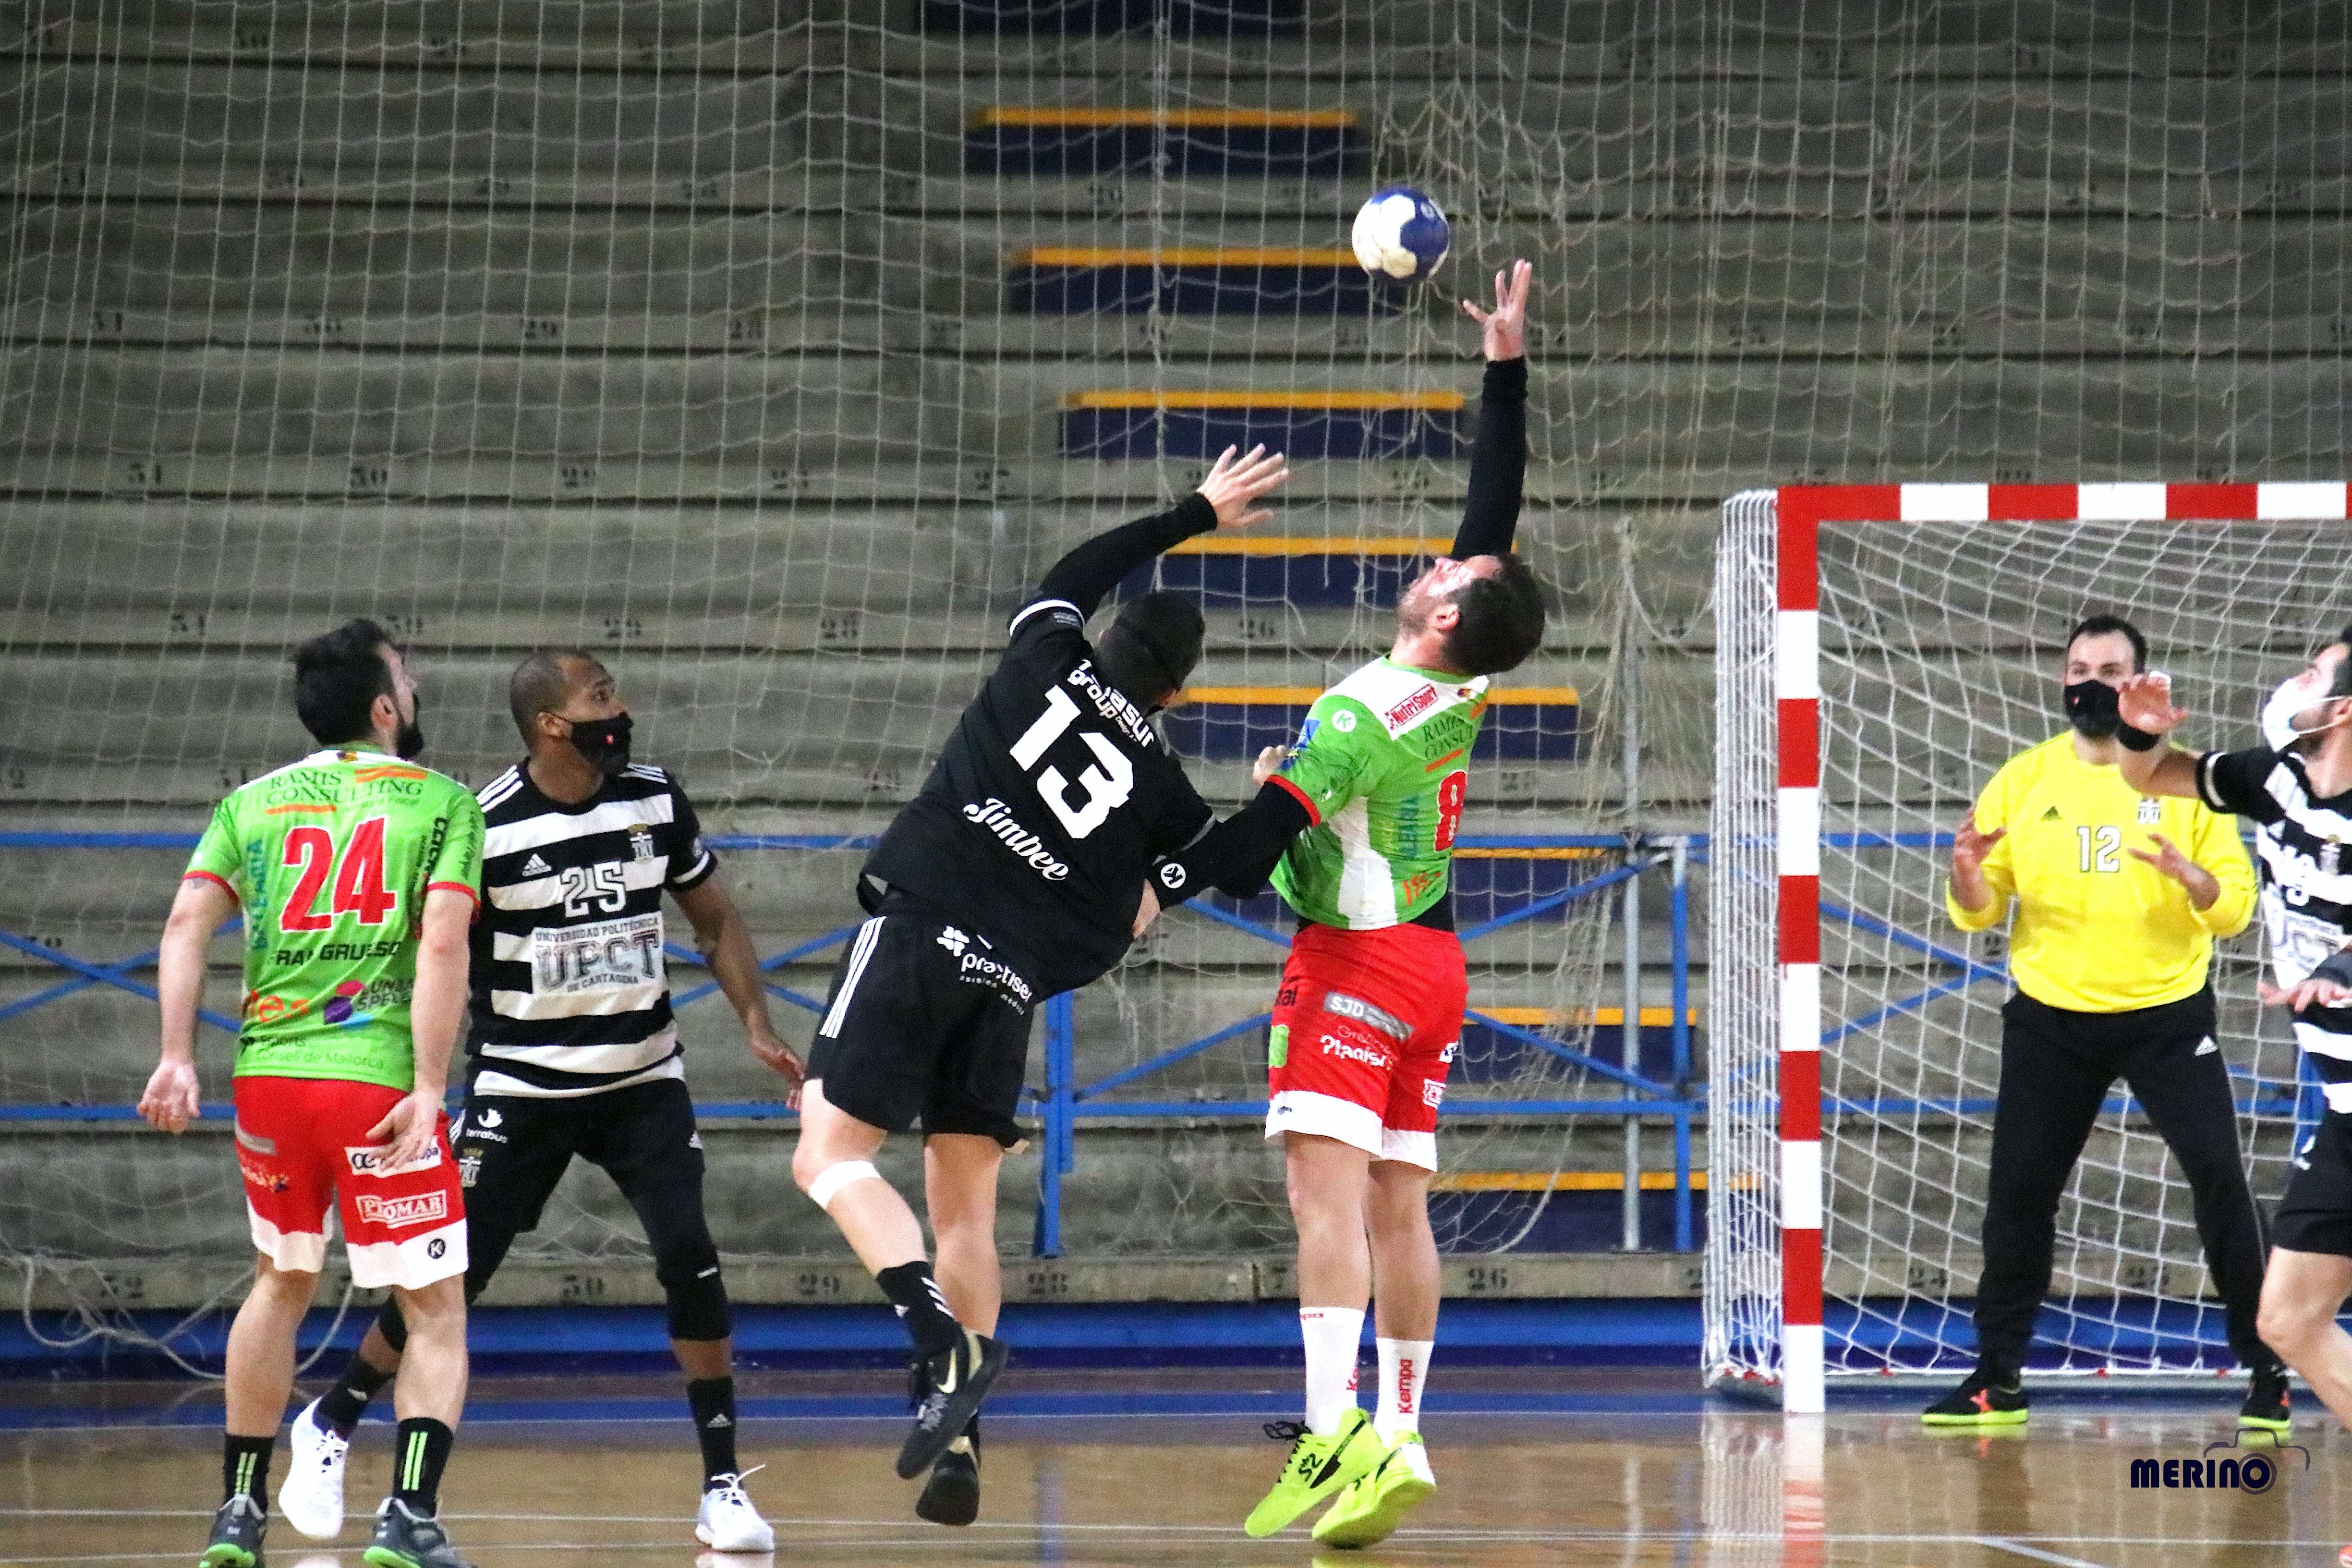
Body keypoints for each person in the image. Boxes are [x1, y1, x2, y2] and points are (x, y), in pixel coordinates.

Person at [790, 442, 1292, 1519]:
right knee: (964, 1213)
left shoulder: (1043, 657)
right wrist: (1283, 796)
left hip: (923, 928)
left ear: (1105, 639)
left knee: (827, 1153)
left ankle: (943, 1351)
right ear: (1177, 694)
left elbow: (1075, 570)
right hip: (1006, 985)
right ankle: (962, 1440)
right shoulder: (1160, 788)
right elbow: (1237, 866)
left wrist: (1195, 511)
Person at [1147, 260, 1547, 1547]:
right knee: (1397, 1204)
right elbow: (1494, 519)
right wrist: (1503, 368)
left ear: (1445, 611)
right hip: (1436, 970)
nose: (1434, 560)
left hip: (1356, 967)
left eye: (1443, 570)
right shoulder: (1466, 678)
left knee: (1324, 1204)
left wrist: (1143, 879)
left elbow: (1247, 848)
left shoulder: (1360, 714)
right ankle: (1404, 1434)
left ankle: (1330, 1430)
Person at [280, 651, 805, 1555]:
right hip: (522, 1085)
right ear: (551, 724)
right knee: (453, 1279)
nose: (621, 707)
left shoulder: (652, 798)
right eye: (601, 696)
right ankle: (331, 1418)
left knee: (690, 1255)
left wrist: (755, 1020)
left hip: (642, 1078)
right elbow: (429, 953)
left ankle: (722, 1483)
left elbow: (714, 917)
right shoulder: (483, 823)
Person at [137, 619, 485, 1568]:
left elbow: (184, 922)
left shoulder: (250, 803)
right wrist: (429, 1083)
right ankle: (408, 1516)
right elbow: (443, 943)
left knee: (281, 1279)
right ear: (385, 708)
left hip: (271, 1084)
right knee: (434, 1306)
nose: (414, 686)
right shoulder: (445, 803)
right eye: (405, 675)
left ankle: (238, 1511)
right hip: (374, 1086)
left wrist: (176, 1055)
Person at [1917, 614, 2279, 1430]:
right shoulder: (2022, 778)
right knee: (2017, 1195)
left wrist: (2192, 878)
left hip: (2165, 1014)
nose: (2090, 682)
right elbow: (1977, 912)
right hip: (2051, 1019)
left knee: (2219, 1179)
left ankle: (2267, 1370)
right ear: (2062, 680)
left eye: (2109, 670)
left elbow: (2233, 912)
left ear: (2139, 684)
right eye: (2078, 668)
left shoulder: (2182, 780)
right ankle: (1996, 1377)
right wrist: (1966, 872)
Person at [2115, 633, 2352, 1511]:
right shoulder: (2275, 779)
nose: (2289, 680)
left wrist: (2337, 972)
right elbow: (2152, 776)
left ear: (2341, 709)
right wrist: (2140, 731)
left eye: (2311, 672)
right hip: (2344, 1108)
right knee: (2286, 1318)